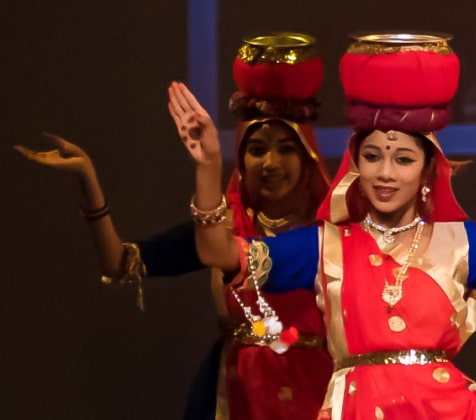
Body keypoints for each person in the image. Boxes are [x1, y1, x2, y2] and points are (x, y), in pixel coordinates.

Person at [176, 32, 476, 419]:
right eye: (372, 156)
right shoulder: (326, 244)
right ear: (355, 162)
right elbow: (219, 253)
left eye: (403, 159)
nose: (386, 173)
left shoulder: (462, 243)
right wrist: (208, 165)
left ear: (428, 168)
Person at [17, 32, 334, 420]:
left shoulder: (333, 234)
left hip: (319, 392)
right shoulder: (220, 232)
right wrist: (89, 181)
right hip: (235, 395)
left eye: (286, 149)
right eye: (257, 149)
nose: (270, 163)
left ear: (308, 157)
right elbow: (119, 264)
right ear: (241, 157)